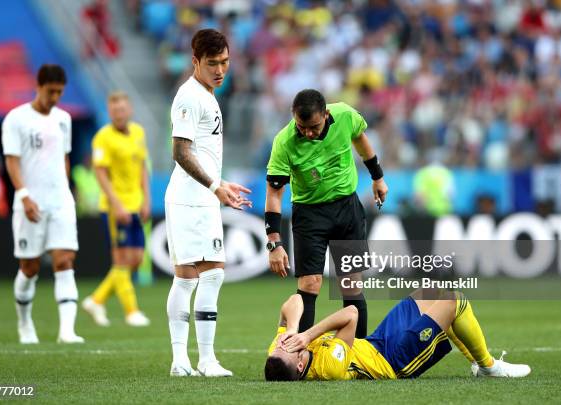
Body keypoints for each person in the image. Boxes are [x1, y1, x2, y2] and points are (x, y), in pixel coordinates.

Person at [265, 89, 388, 339]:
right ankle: (300, 356)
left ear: (326, 114)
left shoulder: (345, 115)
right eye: (302, 126)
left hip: (347, 209)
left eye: (314, 127)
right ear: (293, 117)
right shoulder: (284, 141)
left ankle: (356, 356)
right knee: (310, 284)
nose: (308, 133)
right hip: (309, 215)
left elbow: (360, 139)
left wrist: (377, 178)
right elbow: (275, 193)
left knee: (351, 285)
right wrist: (274, 242)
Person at [165, 28, 252, 377]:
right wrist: (215, 186)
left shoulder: (208, 94)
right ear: (195, 62)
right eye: (213, 63)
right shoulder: (189, 96)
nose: (220, 70)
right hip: (189, 200)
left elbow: (200, 151)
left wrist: (220, 181)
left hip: (204, 197)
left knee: (208, 275)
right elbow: (180, 151)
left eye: (226, 62)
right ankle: (184, 359)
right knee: (191, 277)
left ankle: (201, 360)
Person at [264, 291, 531, 381]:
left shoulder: (279, 354)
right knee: (452, 302)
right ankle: (488, 366)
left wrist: (290, 330)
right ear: (300, 365)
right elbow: (351, 314)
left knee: (431, 290)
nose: (285, 343)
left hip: (376, 344)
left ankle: (476, 363)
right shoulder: (329, 368)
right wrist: (307, 333)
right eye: (288, 346)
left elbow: (295, 299)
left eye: (280, 344)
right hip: (393, 361)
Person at [2, 64, 84, 344]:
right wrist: (23, 194)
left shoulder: (63, 119)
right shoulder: (16, 119)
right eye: (51, 91)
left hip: (60, 201)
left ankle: (67, 331)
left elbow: (64, 157)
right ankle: (25, 324)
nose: (55, 97)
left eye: (60, 92)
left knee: (64, 260)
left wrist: (66, 190)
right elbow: (12, 161)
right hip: (30, 202)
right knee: (30, 267)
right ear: (38, 87)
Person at [82, 91, 151, 327]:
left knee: (136, 259)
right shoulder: (103, 137)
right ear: (109, 113)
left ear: (129, 110)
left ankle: (96, 299)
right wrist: (117, 205)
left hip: (136, 203)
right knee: (121, 260)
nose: (119, 114)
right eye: (114, 111)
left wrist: (146, 199)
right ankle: (132, 311)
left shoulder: (138, 132)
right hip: (115, 207)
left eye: (122, 109)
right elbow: (100, 174)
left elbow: (142, 167)